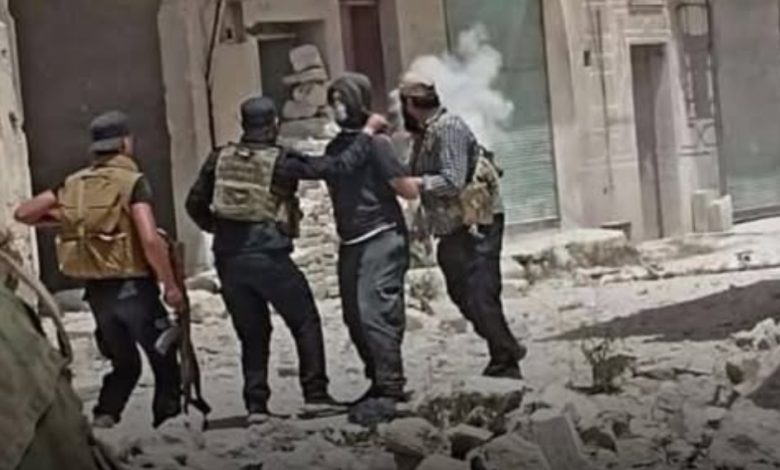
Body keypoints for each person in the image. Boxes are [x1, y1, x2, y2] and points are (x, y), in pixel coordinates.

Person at [185, 96, 387, 423]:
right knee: (305, 321)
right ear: (274, 125)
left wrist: (220, 230)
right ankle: (315, 395)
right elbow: (336, 168)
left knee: (252, 332)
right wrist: (366, 134)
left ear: (243, 124)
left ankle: (256, 406)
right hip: (269, 257)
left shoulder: (218, 158)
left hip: (229, 260)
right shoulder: (281, 160)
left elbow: (193, 204)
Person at [14, 111, 184, 429]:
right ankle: (169, 426)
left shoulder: (73, 182)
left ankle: (104, 418)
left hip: (97, 293)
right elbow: (149, 239)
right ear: (125, 143)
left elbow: (24, 214)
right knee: (164, 360)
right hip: (134, 288)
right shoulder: (132, 181)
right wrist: (170, 285)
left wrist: (69, 220)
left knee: (124, 364)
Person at [398, 74, 527, 379]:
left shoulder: (449, 128)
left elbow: (453, 180)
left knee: (481, 292)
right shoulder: (426, 134)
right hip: (454, 226)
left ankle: (505, 357)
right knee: (460, 291)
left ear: (411, 104)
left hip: (477, 222)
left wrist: (418, 184)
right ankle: (505, 348)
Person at [317, 73, 423, 423]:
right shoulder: (338, 148)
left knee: (374, 311)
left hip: (382, 236)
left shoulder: (378, 145)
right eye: (333, 101)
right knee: (354, 315)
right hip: (352, 242)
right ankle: (376, 380)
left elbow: (406, 189)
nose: (337, 108)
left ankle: (391, 386)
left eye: (342, 100)